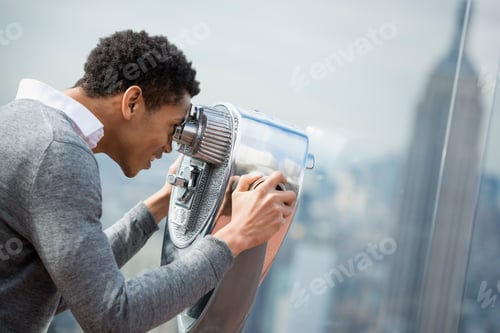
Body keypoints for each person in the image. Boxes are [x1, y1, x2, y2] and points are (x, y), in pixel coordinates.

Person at [0, 30, 296, 332]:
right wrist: (236, 236)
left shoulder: (21, 122)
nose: (169, 147)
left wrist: (162, 202)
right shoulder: (59, 153)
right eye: (172, 127)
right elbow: (114, 317)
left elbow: (66, 289)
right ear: (132, 102)